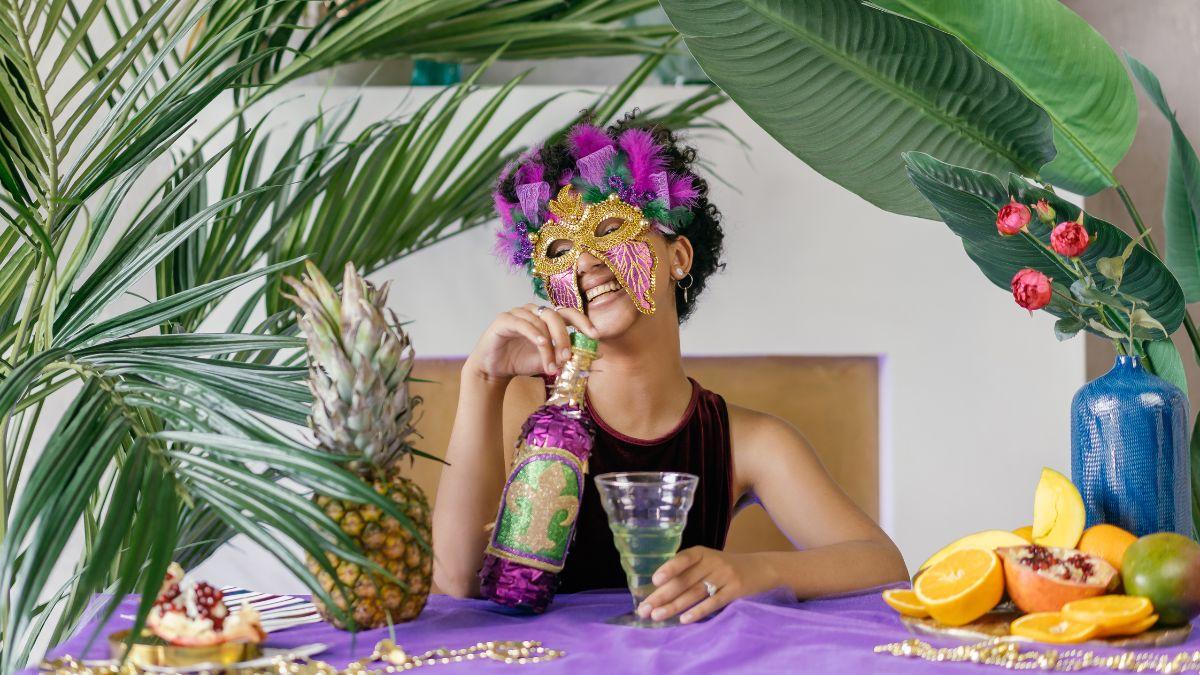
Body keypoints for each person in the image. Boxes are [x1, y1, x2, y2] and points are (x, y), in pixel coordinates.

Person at [432, 112, 907, 624]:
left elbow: (882, 564)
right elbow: (457, 581)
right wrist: (482, 380)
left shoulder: (748, 441)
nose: (585, 262)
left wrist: (758, 571)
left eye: (609, 229)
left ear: (678, 256)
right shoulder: (523, 412)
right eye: (560, 250)